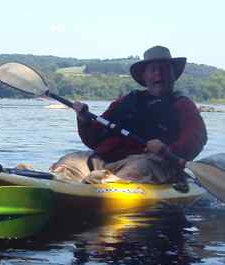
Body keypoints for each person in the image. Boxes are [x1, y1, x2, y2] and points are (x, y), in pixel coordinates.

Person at [51, 45, 207, 184]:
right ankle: (60, 182)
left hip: (152, 162)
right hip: (107, 161)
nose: (158, 74)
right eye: (153, 69)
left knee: (141, 167)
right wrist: (84, 120)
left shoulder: (183, 105)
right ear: (144, 77)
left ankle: (104, 185)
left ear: (173, 75)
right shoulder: (125, 102)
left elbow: (195, 140)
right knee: (70, 160)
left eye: (164, 69)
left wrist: (166, 150)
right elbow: (94, 140)